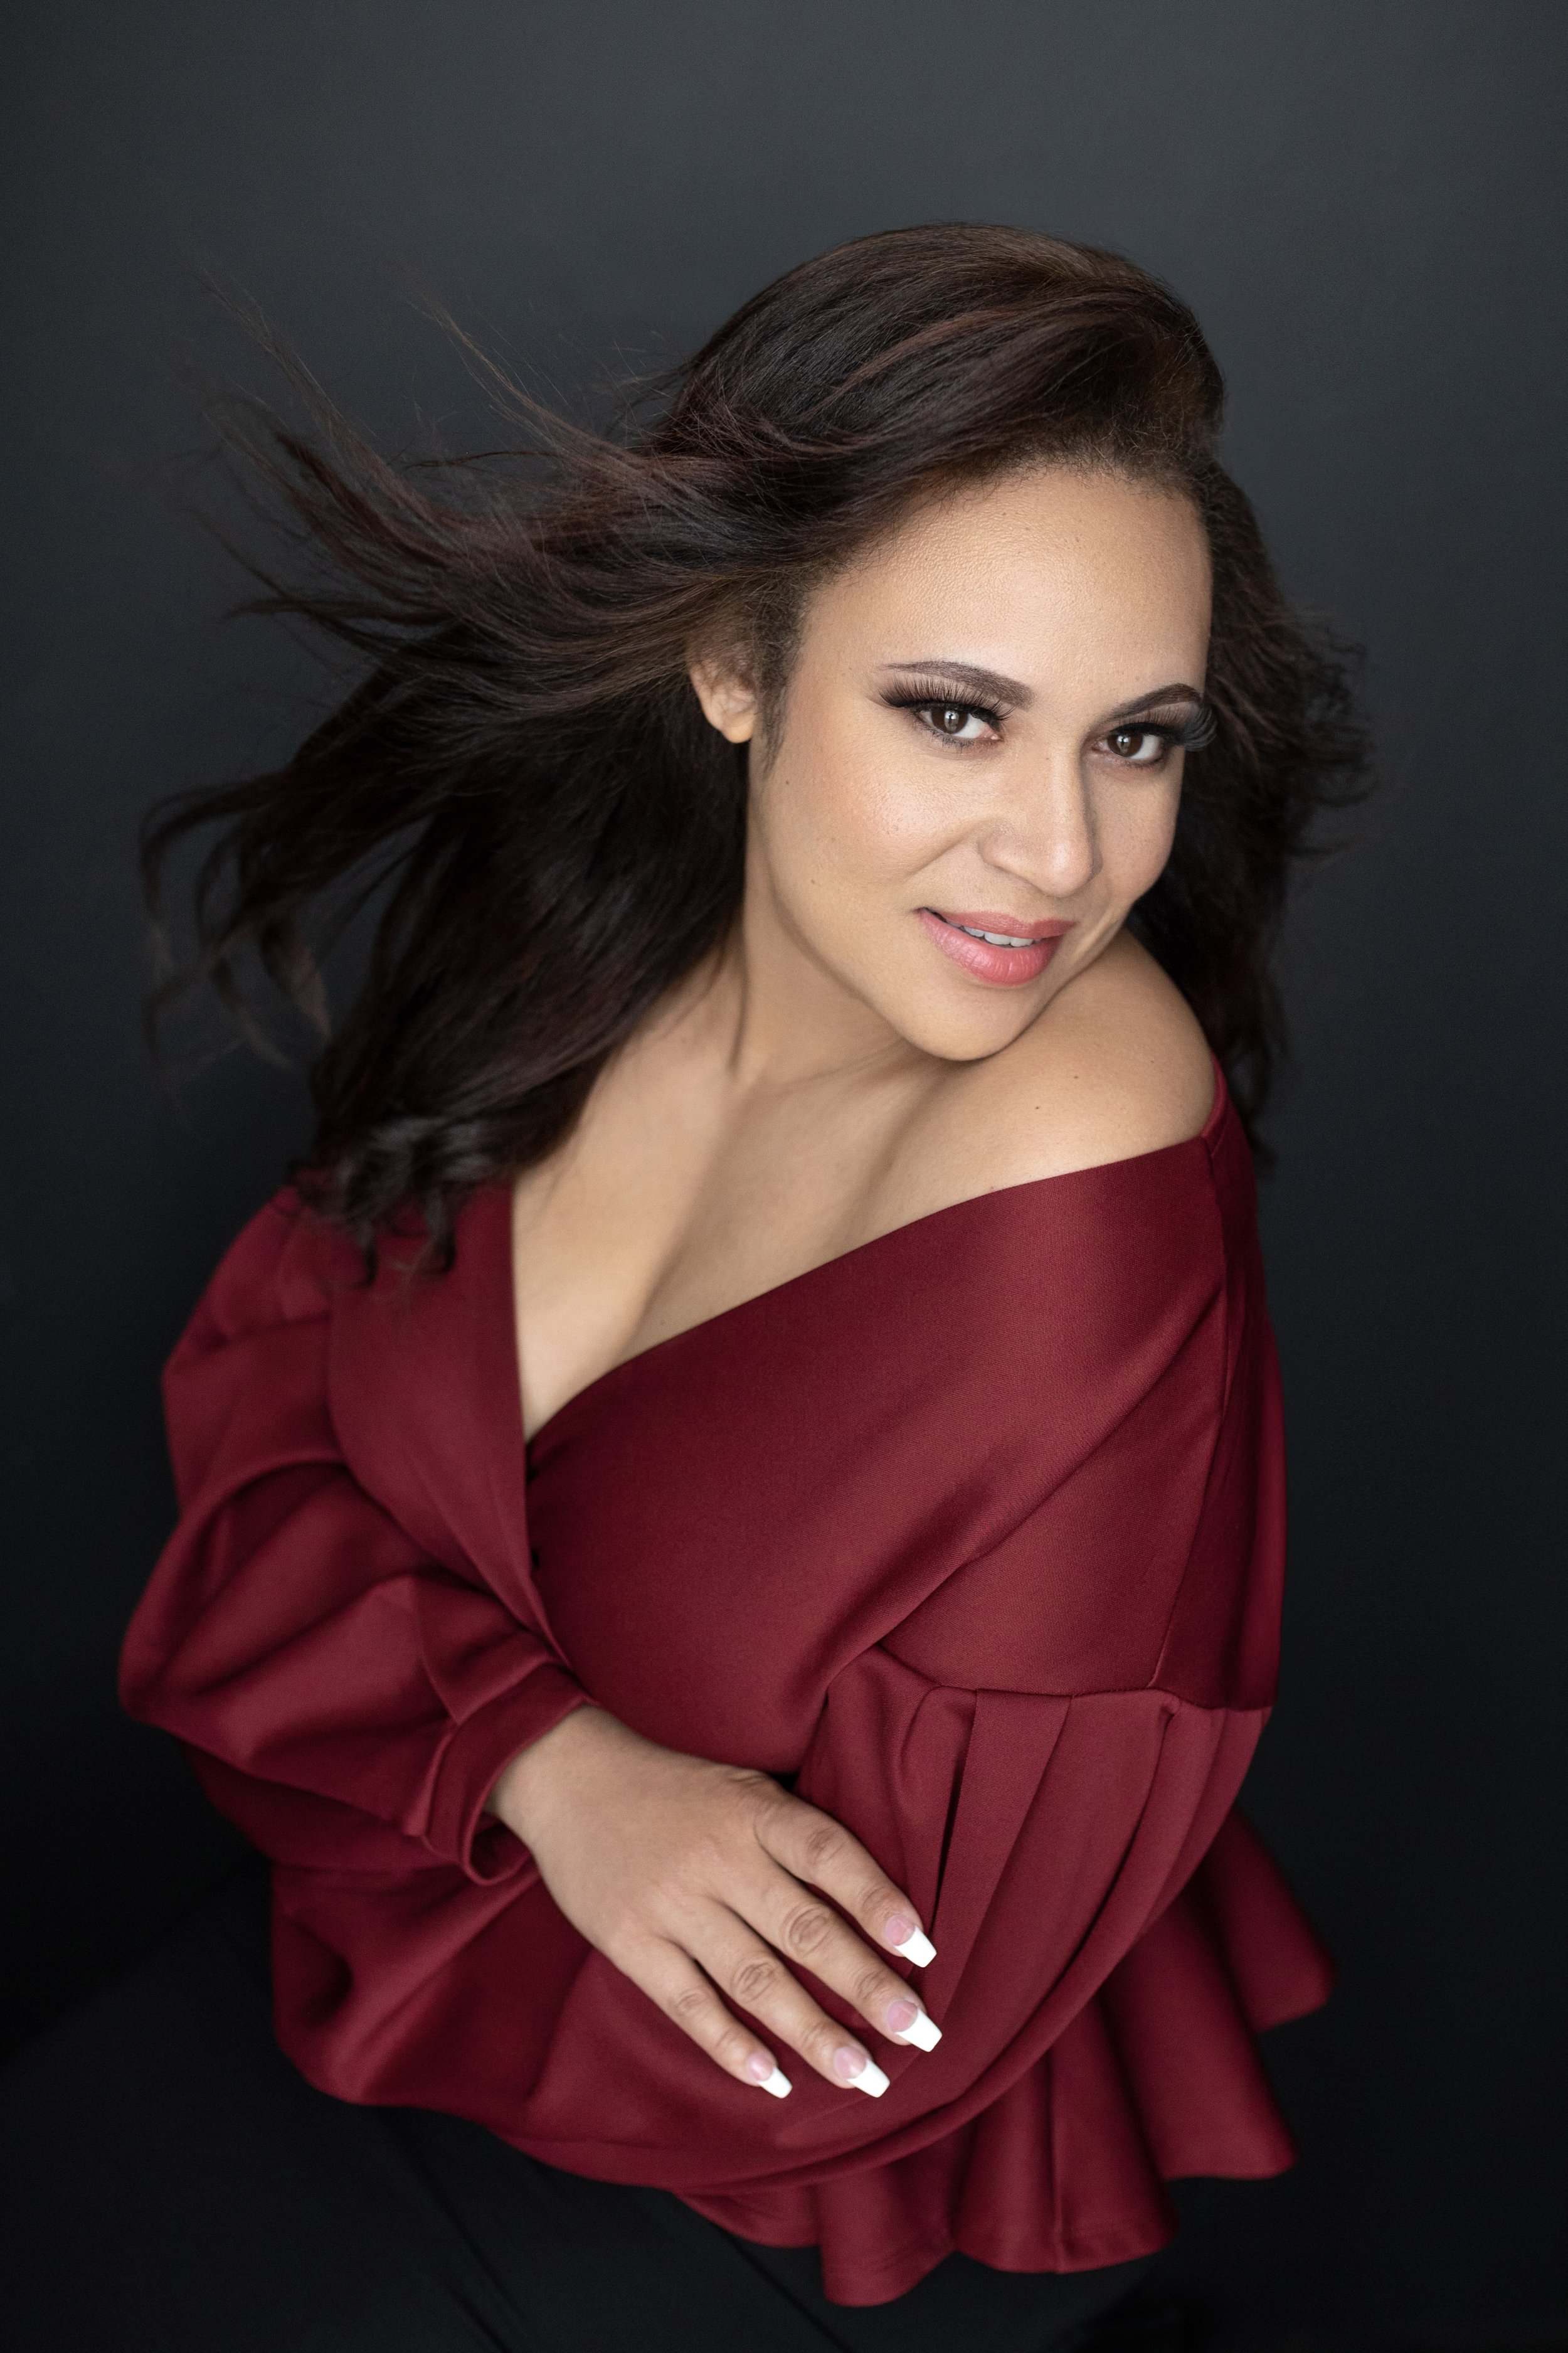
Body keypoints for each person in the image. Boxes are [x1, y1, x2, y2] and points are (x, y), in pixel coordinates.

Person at [23, 226, 1365, 2352]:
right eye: (955, 715)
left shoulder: (1076, 1182)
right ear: (735, 667)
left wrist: (399, 1762)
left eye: (1137, 741)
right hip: (356, 1949)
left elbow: (880, 2022)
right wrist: (547, 1770)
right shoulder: (600, 940)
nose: (1059, 854)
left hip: (772, 2194)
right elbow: (256, 1437)